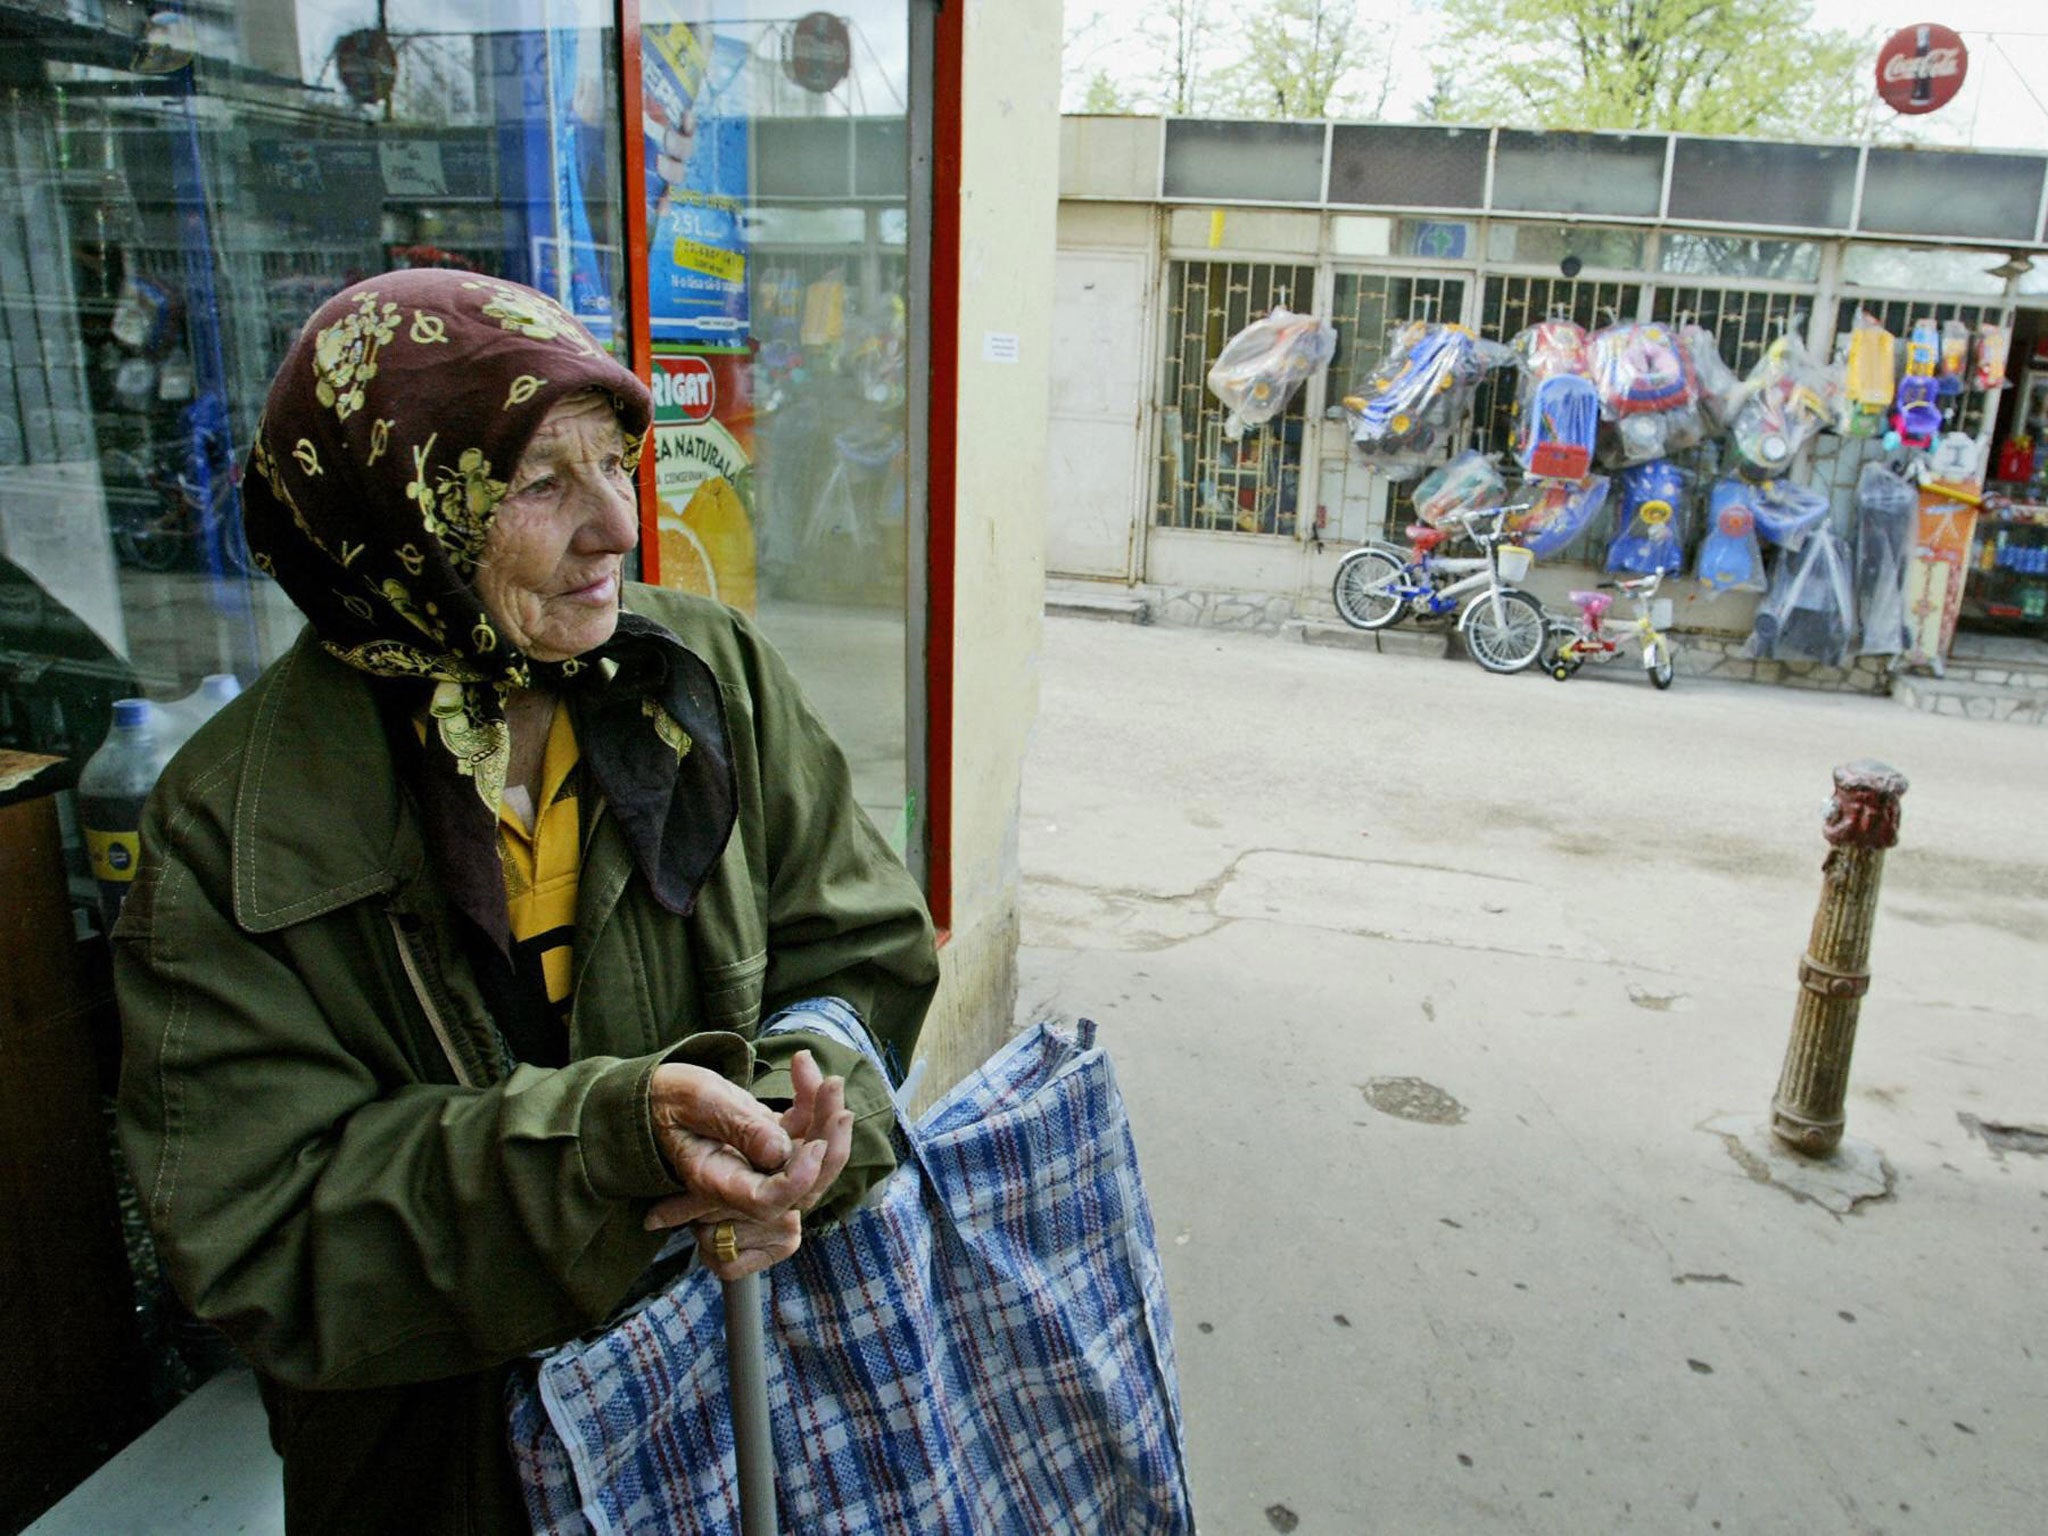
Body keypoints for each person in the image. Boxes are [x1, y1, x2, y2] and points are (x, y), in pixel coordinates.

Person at [113, 269, 939, 1533]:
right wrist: (607, 1149)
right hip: (446, 1471)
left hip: (722, 1401)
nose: (616, 526)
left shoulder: (702, 677)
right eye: (540, 484)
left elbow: (859, 957)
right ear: (390, 517)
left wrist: (788, 1140)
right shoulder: (233, 829)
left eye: (617, 461)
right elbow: (262, 1238)